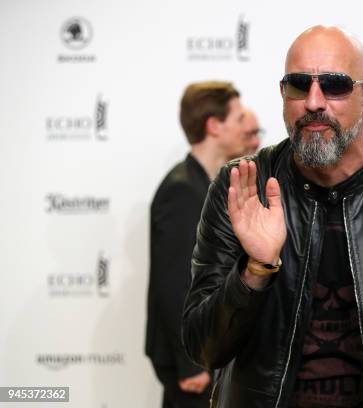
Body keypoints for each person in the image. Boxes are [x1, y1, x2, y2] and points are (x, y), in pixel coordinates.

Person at [183, 26, 363, 408]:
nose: (314, 102)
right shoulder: (242, 185)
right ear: (283, 95)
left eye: (335, 85)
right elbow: (202, 347)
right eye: (299, 85)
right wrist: (255, 270)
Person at [146, 81, 245, 407]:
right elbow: (174, 284)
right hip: (194, 360)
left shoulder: (205, 183)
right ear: (214, 126)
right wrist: (193, 361)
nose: (246, 129)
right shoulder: (183, 190)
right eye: (239, 119)